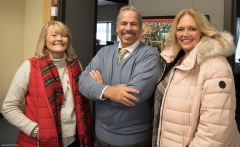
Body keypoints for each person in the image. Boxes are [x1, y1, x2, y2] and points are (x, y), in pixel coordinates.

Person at [152, 8, 240, 147]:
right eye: (180, 29)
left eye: (192, 29)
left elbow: (214, 133)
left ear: (203, 31)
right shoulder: (175, 59)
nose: (185, 34)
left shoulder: (215, 66)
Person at [79, 5, 163, 147]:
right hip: (101, 136)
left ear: (140, 28)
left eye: (133, 24)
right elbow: (82, 82)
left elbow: (133, 96)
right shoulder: (104, 53)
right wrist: (109, 91)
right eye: (124, 23)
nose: (128, 28)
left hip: (134, 139)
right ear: (117, 27)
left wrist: (98, 90)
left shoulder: (150, 56)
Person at [2, 21, 93, 147]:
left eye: (64, 35)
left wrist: (94, 84)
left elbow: (80, 99)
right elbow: (8, 107)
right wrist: (35, 130)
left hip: (75, 138)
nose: (59, 39)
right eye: (54, 35)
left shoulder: (75, 64)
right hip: (41, 140)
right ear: (44, 40)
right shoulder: (30, 66)